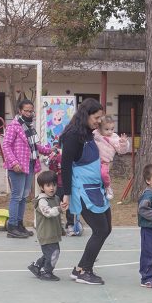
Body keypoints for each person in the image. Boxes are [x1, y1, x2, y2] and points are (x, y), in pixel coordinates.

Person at [60, 98, 112, 285]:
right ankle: (84, 270)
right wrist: (66, 193)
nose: (99, 121)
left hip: (96, 189)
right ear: (86, 115)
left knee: (106, 228)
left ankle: (81, 268)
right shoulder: (73, 135)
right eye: (96, 117)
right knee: (100, 230)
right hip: (82, 190)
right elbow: (65, 166)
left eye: (101, 117)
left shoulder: (89, 133)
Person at [3, 99, 51, 239]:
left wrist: (49, 150)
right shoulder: (14, 126)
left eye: (31, 111)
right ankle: (12, 226)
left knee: (24, 197)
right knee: (16, 196)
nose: (30, 113)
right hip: (17, 166)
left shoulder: (30, 127)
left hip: (29, 164)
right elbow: (6, 145)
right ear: (20, 111)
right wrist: (14, 162)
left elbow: (36, 147)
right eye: (27, 111)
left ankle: (19, 224)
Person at [28, 170, 66, 281]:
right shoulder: (42, 201)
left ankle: (36, 266)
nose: (52, 188)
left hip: (53, 232)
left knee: (49, 253)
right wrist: (59, 208)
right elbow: (48, 213)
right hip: (45, 233)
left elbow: (59, 216)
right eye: (48, 185)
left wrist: (62, 227)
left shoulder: (56, 198)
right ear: (41, 187)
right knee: (54, 253)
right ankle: (47, 272)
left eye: (54, 185)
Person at [93, 115, 130, 199]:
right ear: (99, 128)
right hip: (94, 161)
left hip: (105, 162)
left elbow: (121, 150)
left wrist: (123, 143)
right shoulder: (95, 134)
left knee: (104, 174)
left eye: (112, 129)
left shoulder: (114, 138)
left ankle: (108, 187)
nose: (110, 131)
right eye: (106, 129)